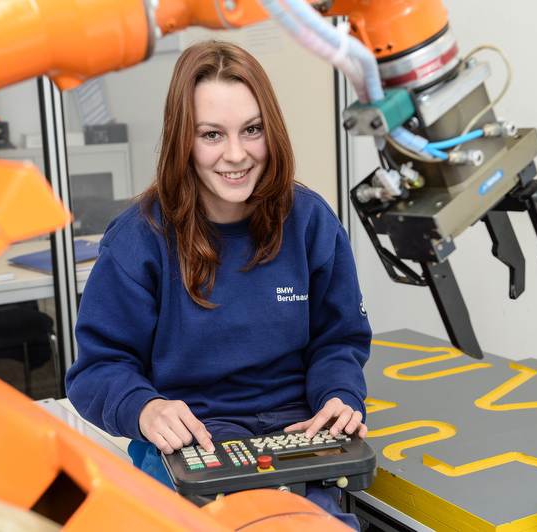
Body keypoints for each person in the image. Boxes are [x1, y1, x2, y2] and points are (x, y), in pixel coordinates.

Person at [65, 40, 371, 529]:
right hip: (191, 445)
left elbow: (338, 341)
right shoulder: (138, 240)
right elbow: (98, 369)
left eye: (252, 130)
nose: (236, 154)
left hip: (294, 438)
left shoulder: (310, 222)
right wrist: (145, 409)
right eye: (211, 134)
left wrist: (340, 395)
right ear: (182, 141)